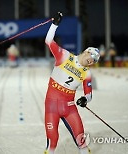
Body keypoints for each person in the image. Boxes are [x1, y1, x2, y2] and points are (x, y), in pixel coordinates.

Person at [44, 12, 100, 154]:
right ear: (86, 51)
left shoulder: (87, 73)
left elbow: (89, 95)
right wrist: (54, 24)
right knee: (53, 141)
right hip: (52, 106)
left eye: (95, 60)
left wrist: (84, 99)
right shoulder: (65, 55)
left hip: (69, 107)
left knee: (81, 140)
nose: (92, 60)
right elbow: (49, 40)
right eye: (92, 56)